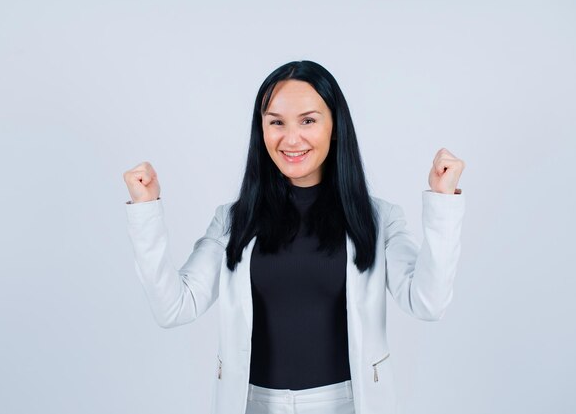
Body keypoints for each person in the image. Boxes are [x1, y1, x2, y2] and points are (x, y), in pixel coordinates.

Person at [122, 60, 465, 414]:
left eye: (308, 120)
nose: (291, 138)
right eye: (276, 122)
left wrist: (442, 201)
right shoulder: (233, 221)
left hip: (346, 404)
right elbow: (173, 307)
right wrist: (145, 210)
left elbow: (428, 301)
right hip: (253, 404)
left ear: (334, 126)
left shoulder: (377, 220)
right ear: (262, 130)